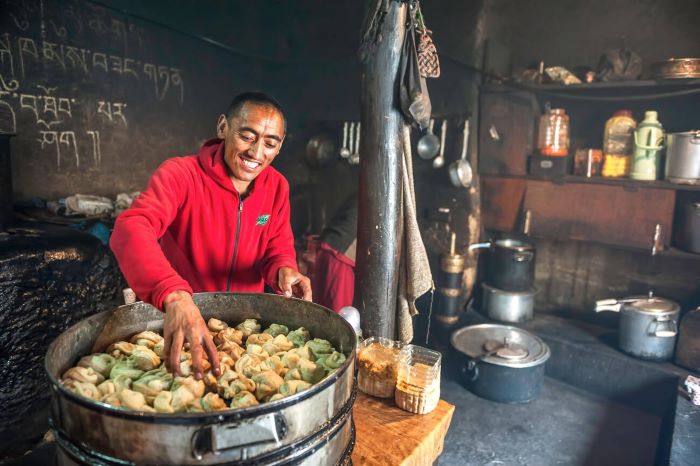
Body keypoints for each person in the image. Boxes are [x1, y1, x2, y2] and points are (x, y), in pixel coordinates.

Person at [110, 92, 312, 381]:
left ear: (279, 148)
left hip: (245, 334)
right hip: (182, 321)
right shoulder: (181, 175)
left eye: (270, 143)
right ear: (223, 128)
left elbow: (276, 246)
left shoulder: (277, 187)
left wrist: (284, 270)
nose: (256, 153)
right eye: (247, 136)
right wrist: (174, 295)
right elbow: (130, 229)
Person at [311, 195, 357, 312]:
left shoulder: (364, 194)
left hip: (330, 248)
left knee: (323, 308)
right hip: (339, 255)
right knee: (339, 314)